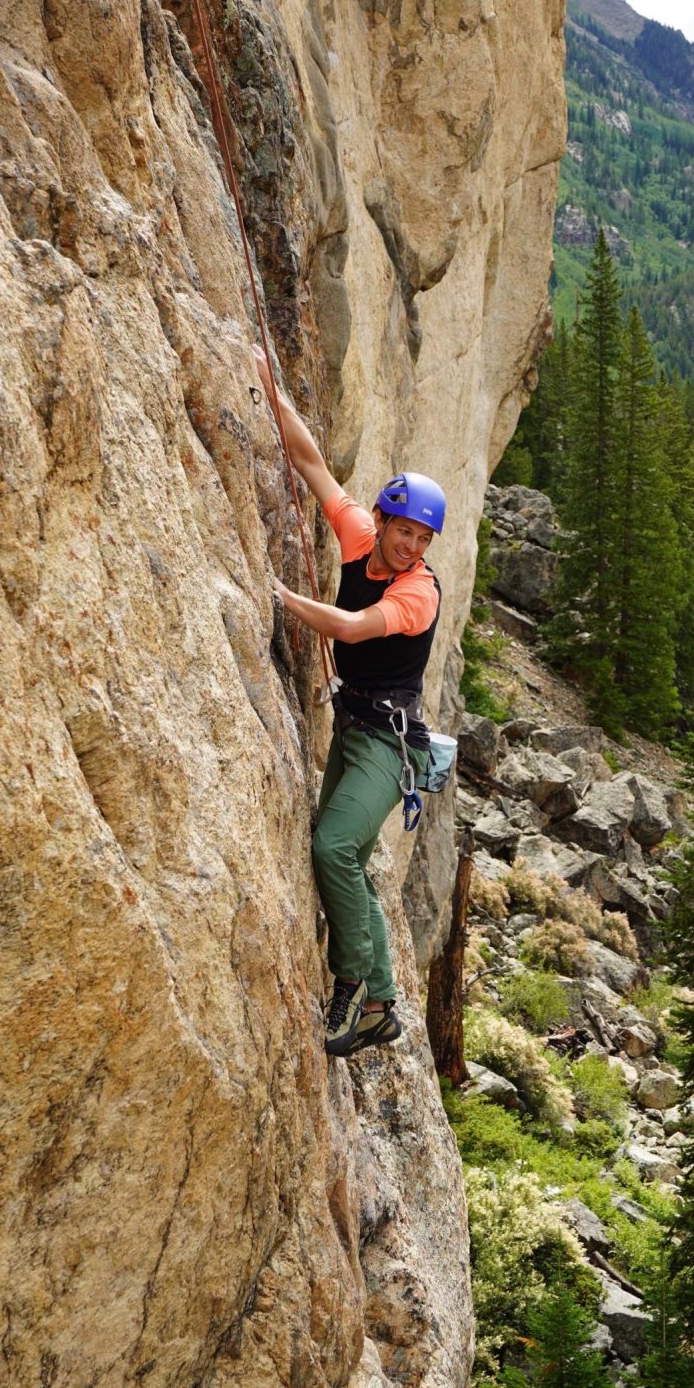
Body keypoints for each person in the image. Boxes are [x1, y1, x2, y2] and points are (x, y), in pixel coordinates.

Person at [254, 348, 444, 1057]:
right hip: (355, 726)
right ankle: (387, 1002)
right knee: (352, 859)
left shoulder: (417, 592)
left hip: (387, 744)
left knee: (332, 845)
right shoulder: (362, 536)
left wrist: (281, 596)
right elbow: (312, 467)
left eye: (423, 538)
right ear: (387, 519)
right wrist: (272, 393)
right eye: (406, 530)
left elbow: (353, 627)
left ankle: (353, 986)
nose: (411, 544)